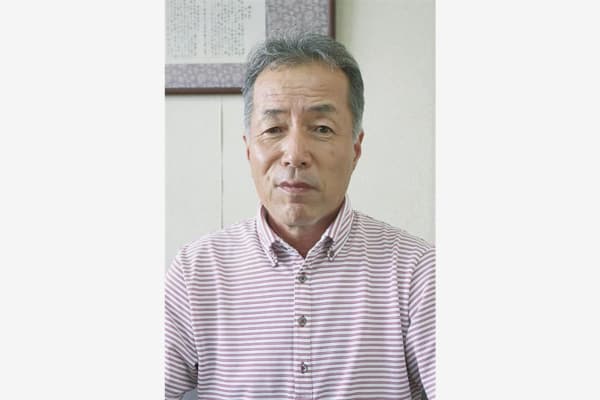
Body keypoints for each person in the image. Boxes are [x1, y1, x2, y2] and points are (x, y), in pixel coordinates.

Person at [165, 32, 435, 400]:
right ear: (248, 149)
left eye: (322, 129)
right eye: (273, 129)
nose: (294, 154)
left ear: (356, 148)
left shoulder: (416, 271)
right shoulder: (198, 271)